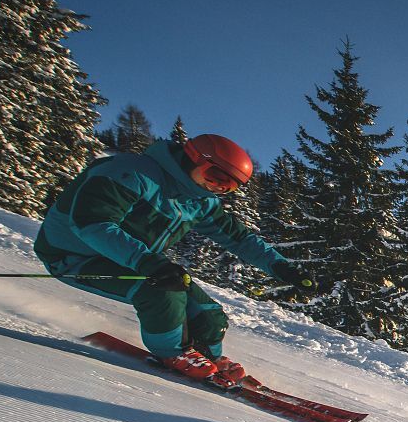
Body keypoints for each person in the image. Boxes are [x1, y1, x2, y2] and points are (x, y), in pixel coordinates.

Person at [34, 133, 306, 386]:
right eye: (215, 176)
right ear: (194, 158)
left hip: (131, 259)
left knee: (210, 316)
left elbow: (239, 239)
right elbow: (92, 223)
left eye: (229, 186)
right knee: (162, 293)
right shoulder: (130, 172)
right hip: (73, 254)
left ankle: (208, 355)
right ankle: (174, 353)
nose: (218, 188)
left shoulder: (199, 201)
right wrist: (149, 263)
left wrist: (283, 268)